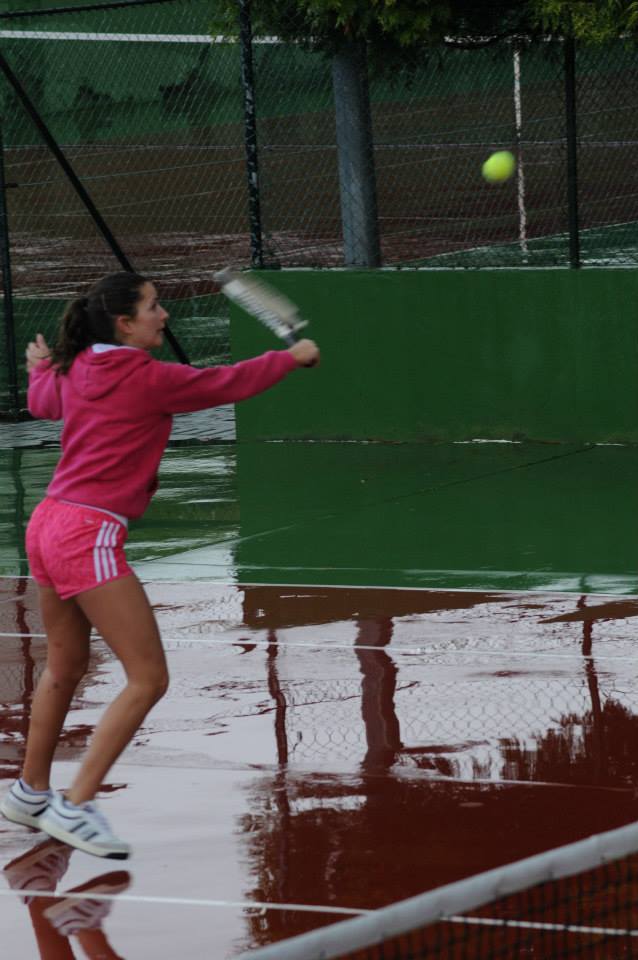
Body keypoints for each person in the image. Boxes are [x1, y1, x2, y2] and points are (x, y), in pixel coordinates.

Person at [0, 271, 319, 859]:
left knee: (64, 667)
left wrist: (40, 367)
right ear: (124, 323)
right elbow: (226, 382)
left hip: (47, 525)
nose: (163, 314)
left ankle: (29, 791)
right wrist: (290, 357)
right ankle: (75, 805)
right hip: (87, 532)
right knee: (149, 678)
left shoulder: (77, 371)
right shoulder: (146, 378)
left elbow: (45, 402)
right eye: (153, 306)